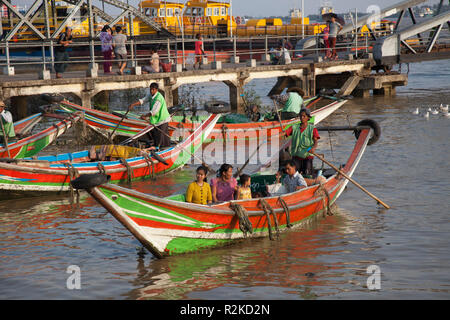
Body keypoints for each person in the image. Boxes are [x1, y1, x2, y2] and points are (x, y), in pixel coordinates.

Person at [128, 82, 171, 148]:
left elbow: (154, 112)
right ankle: (157, 147)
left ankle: (163, 149)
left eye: (153, 90)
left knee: (162, 138)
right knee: (157, 137)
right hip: (156, 120)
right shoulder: (151, 95)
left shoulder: (158, 98)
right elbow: (143, 100)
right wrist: (133, 104)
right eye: (150, 89)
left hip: (162, 120)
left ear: (156, 90)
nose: (151, 91)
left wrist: (145, 116)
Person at [284, 108, 320, 177]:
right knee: (294, 174)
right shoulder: (294, 127)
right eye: (300, 116)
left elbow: (315, 141)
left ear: (308, 118)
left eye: (304, 116)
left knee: (307, 174)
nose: (302, 118)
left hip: (307, 155)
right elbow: (285, 133)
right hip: (296, 155)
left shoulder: (312, 129)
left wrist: (313, 148)